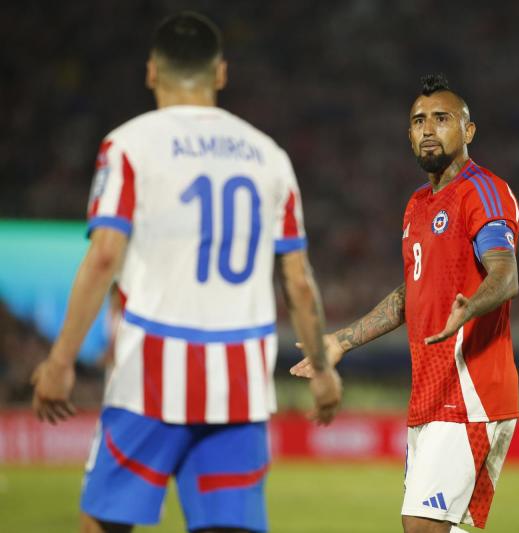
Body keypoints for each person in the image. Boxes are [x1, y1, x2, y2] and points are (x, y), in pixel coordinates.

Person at [30, 11, 341, 533]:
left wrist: (61, 359)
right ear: (221, 73)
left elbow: (105, 255)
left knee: (103, 525)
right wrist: (323, 370)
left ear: (151, 72)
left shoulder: (128, 145)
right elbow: (299, 282)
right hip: (240, 380)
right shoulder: (270, 157)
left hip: (149, 372)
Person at [291, 73, 519, 533]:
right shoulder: (418, 204)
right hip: (431, 395)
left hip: (470, 392)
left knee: (420, 525)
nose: (428, 129)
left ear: (468, 131)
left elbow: (505, 274)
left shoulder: (483, 190)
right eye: (418, 121)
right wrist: (342, 341)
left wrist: (470, 306)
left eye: (442, 118)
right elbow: (408, 294)